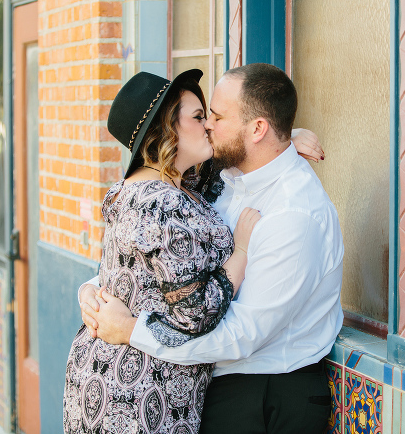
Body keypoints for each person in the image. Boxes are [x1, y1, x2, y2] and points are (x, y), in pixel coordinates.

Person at [82, 63, 343, 434]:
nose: (208, 126)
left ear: (256, 129)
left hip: (267, 394)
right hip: (212, 385)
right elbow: (158, 261)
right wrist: (93, 291)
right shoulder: (221, 179)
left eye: (216, 117)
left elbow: (241, 334)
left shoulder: (293, 213)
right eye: (204, 116)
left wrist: (129, 330)